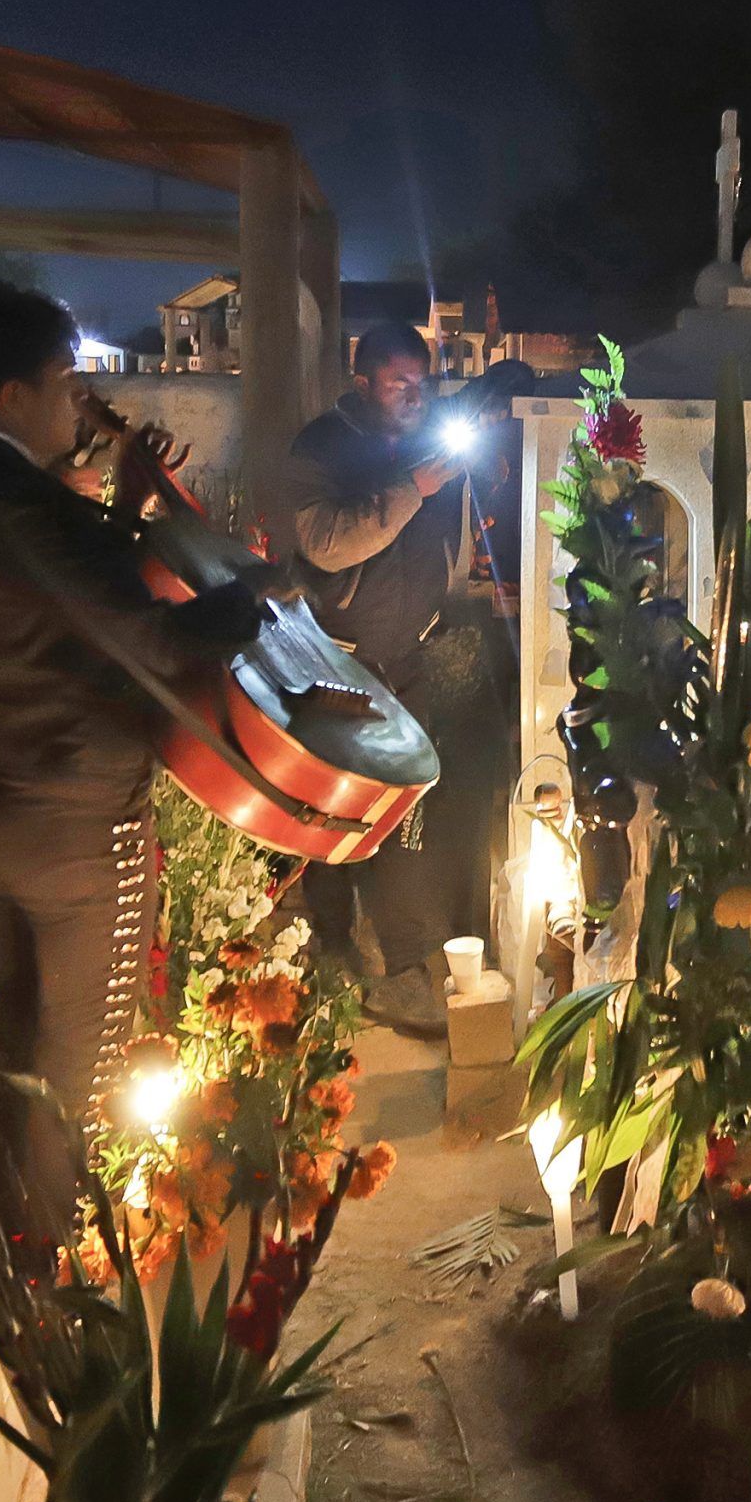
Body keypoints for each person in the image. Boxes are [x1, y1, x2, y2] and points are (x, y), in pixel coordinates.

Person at [0, 282, 260, 1235]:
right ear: (16, 395)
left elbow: (50, 588)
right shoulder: (26, 505)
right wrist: (241, 605)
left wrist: (131, 506)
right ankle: (54, 1275)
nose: (79, 400)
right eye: (67, 380)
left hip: (1, 799)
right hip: (77, 817)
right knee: (81, 1062)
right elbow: (143, 639)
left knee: (20, 1034)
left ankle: (17, 1230)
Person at [263, 322, 485, 1034]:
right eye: (400, 384)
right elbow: (327, 545)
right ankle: (330, 953)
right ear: (362, 382)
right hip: (335, 663)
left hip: (405, 659)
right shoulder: (322, 446)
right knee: (331, 815)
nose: (417, 396)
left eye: (423, 382)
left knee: (407, 815)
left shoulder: (427, 440)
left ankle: (409, 964)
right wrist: (412, 488)